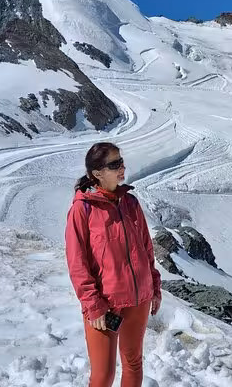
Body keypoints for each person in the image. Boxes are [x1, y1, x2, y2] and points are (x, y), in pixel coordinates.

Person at [65, 142, 161, 387]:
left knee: (133, 364)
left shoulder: (130, 203)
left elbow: (146, 249)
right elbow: (77, 262)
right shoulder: (82, 209)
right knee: (102, 376)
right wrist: (92, 303)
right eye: (115, 164)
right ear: (97, 173)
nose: (122, 168)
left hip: (139, 298)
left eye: (121, 162)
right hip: (105, 306)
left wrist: (154, 286)